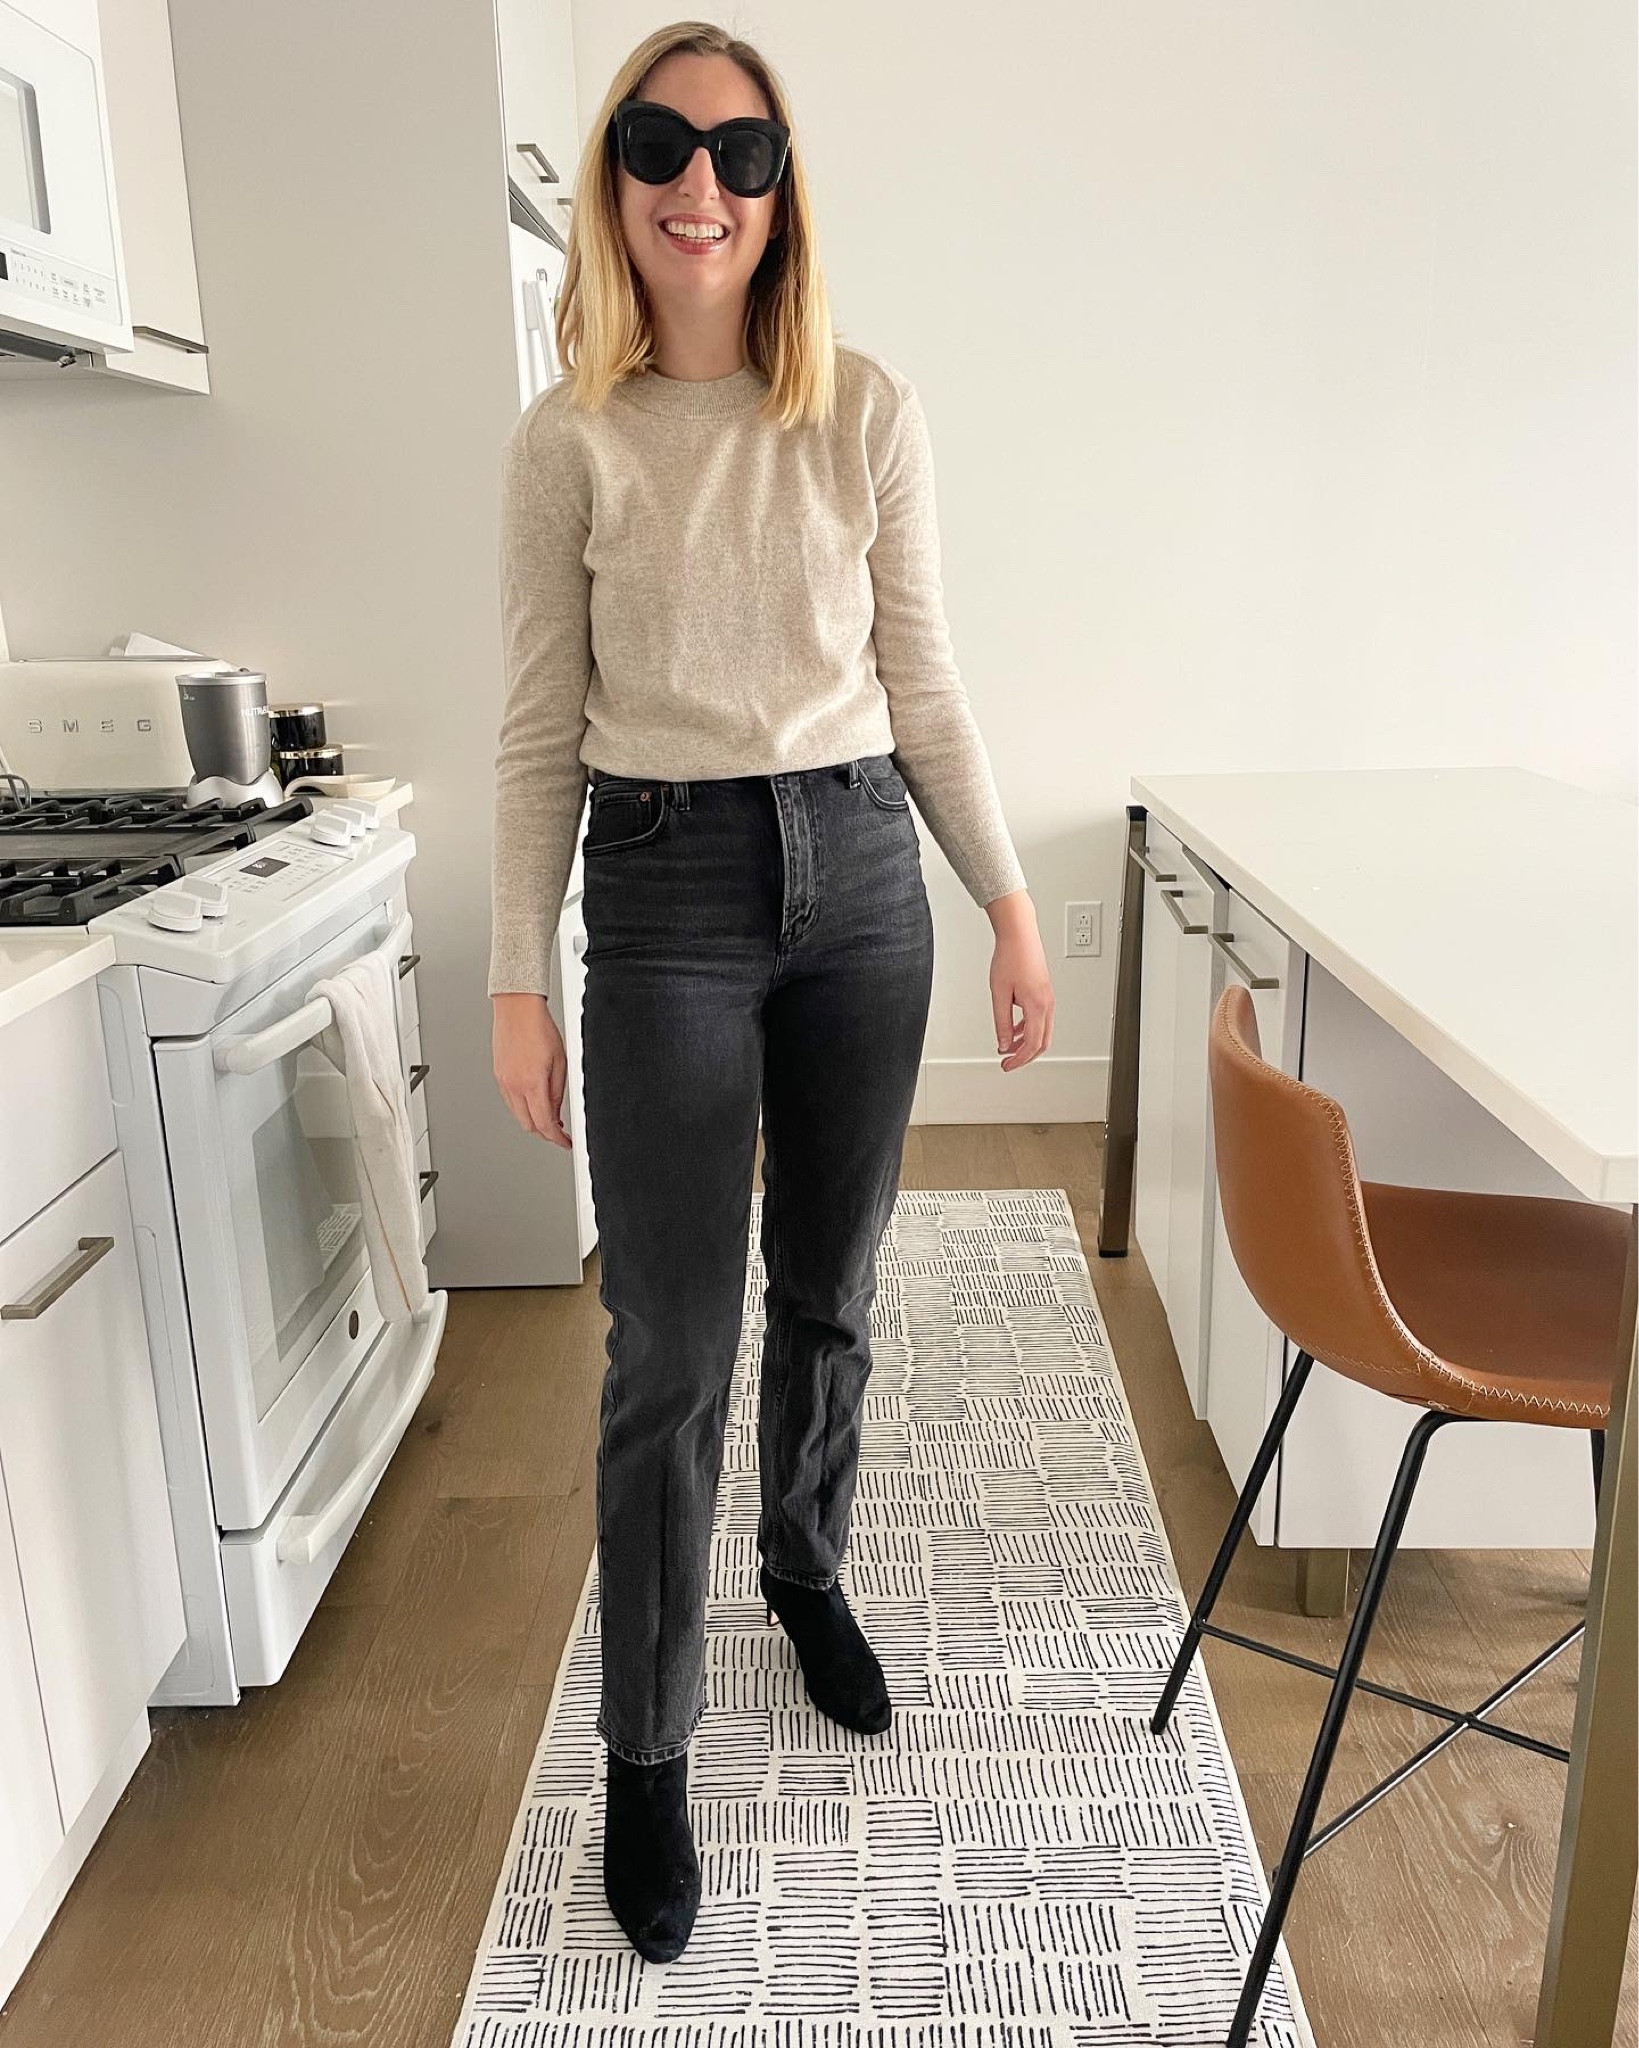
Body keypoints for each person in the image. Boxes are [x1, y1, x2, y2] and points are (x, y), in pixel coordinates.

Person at [487, 20, 1054, 1964]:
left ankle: (803, 1564)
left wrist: (1007, 902)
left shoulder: (865, 412)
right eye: (658, 142)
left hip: (862, 884)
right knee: (669, 1347)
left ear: (781, 184)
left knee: (830, 1283)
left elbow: (926, 681)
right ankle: (649, 1751)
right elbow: (535, 732)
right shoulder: (566, 439)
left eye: (738, 150)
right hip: (661, 900)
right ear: (613, 180)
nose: (698, 181)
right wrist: (512, 975)